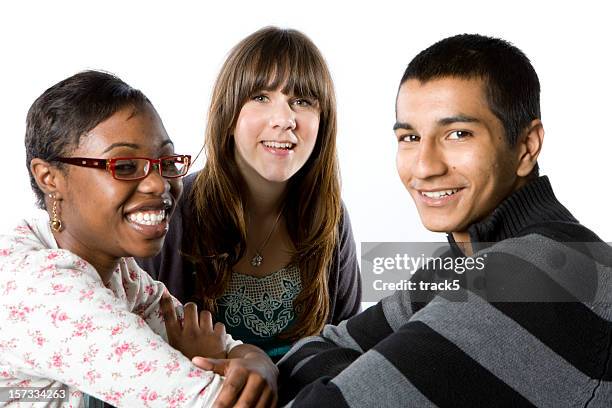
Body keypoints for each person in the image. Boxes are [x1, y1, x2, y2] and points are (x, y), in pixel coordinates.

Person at [277, 34, 612, 407]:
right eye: (410, 136)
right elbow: (302, 358)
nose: (425, 166)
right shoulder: (460, 263)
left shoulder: (537, 272)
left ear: (526, 146)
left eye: (458, 134)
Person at [0, 70, 277, 407]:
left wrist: (259, 364)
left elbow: (233, 353)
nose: (159, 184)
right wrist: (206, 365)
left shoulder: (121, 272)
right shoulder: (44, 288)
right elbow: (219, 402)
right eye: (126, 166)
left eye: (165, 162)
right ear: (49, 177)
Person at [138, 27, 362, 362]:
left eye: (301, 101)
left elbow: (349, 352)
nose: (284, 120)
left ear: (323, 121)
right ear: (228, 114)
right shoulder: (173, 212)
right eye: (260, 97)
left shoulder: (331, 218)